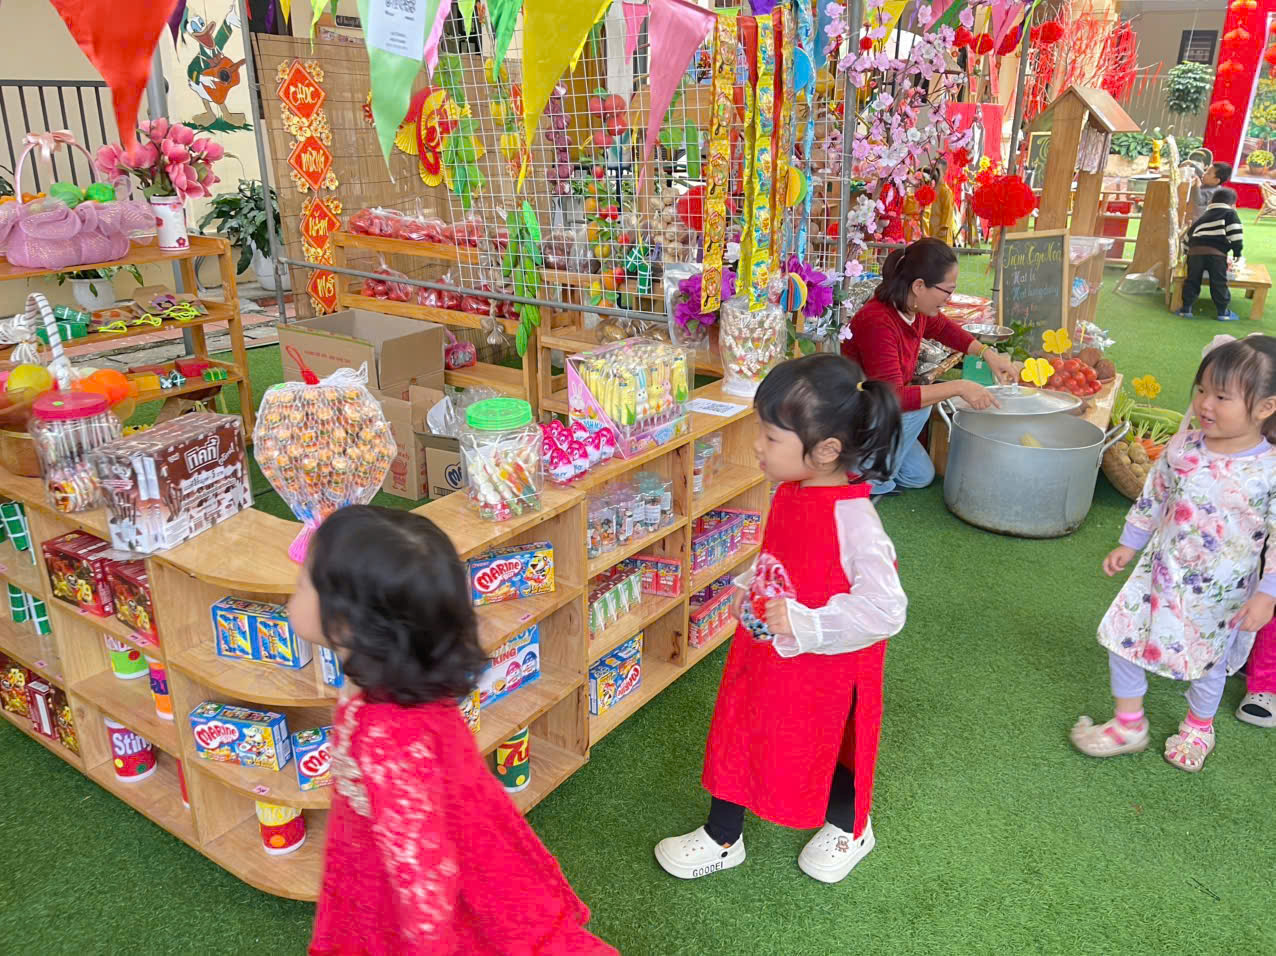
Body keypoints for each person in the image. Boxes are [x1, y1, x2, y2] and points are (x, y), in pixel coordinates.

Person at [293, 506, 616, 955]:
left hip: (415, 876)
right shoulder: (403, 673)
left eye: (304, 581)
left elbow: (421, 872)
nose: (295, 586)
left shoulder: (385, 735)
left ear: (347, 622)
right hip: (436, 843)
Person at [654, 354, 908, 885]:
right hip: (766, 653)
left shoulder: (856, 521)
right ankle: (723, 836)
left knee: (827, 744)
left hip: (827, 672)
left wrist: (806, 622)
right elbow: (783, 557)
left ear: (826, 450)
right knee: (741, 726)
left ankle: (850, 825)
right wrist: (750, 586)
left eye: (770, 437)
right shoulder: (793, 489)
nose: (757, 446)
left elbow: (886, 609)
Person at [1071, 335, 1276, 773]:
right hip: (1159, 572)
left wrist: (1268, 593)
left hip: (1221, 591)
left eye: (1222, 396)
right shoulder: (1184, 447)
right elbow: (1154, 496)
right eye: (1201, 390)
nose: (1205, 404)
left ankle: (1199, 726)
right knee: (1123, 638)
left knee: (1206, 661)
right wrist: (1129, 543)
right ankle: (1129, 723)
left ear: (1265, 408)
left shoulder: (1269, 469)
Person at [842, 237, 1018, 497]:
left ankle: (870, 464)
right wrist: (958, 386)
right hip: (860, 414)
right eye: (947, 291)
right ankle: (863, 474)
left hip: (882, 413)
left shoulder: (914, 309)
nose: (949, 298)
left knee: (919, 476)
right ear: (919, 286)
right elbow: (894, 397)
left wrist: (987, 354)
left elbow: (945, 329)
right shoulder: (877, 322)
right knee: (919, 408)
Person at [1176, 186, 1245, 322]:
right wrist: (1237, 252)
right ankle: (1222, 312)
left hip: (1194, 254)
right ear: (1232, 204)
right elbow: (1236, 234)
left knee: (1192, 281)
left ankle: (1186, 309)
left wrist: (1186, 253)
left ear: (1211, 202)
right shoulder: (1230, 214)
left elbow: (1188, 237)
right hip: (1216, 255)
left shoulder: (1202, 217)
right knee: (1219, 282)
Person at [1185, 160, 1232, 225]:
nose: (1204, 173)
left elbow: (1199, 201)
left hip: (1197, 222)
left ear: (1216, 181)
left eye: (1208, 173)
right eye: (1206, 171)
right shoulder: (1210, 182)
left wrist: (1197, 186)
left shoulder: (1213, 192)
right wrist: (1191, 164)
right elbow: (1202, 174)